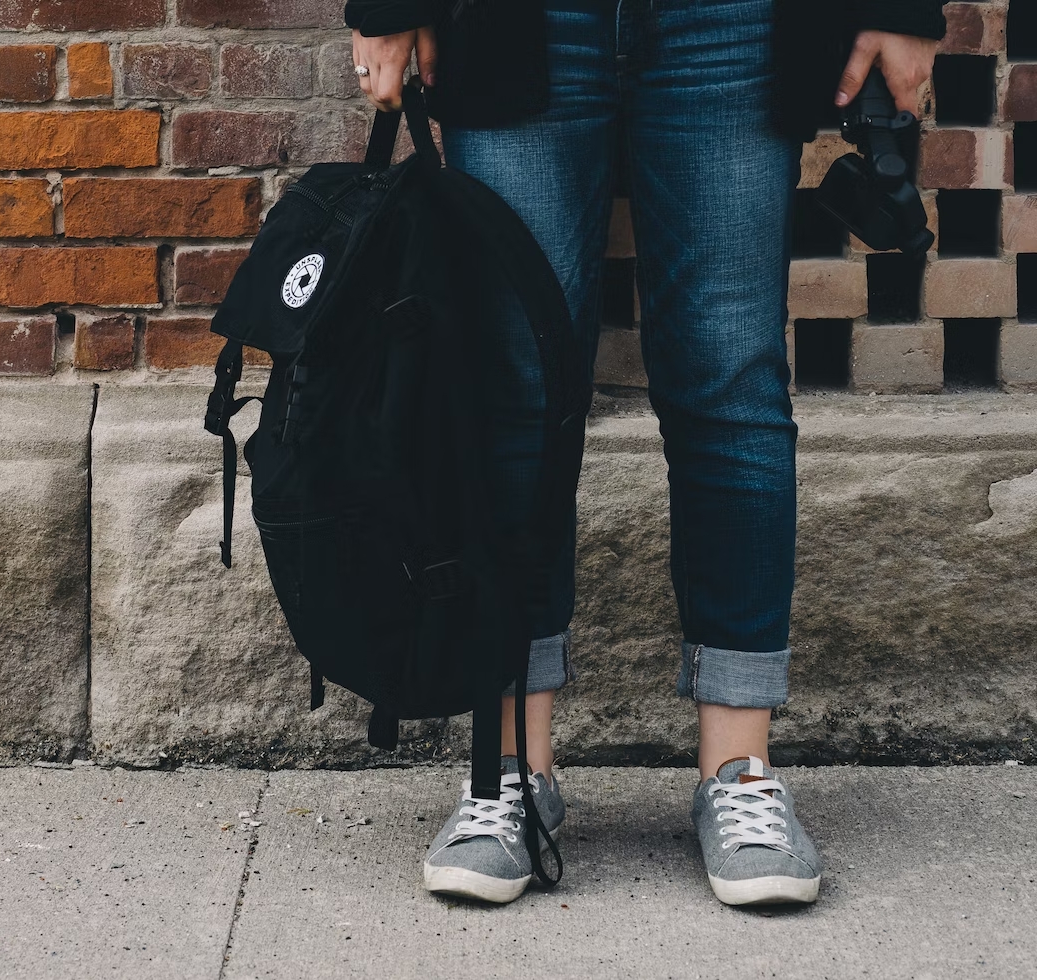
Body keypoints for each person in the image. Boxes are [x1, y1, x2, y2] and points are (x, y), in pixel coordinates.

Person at [344, 0, 945, 906]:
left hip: (733, 19)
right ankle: (509, 771)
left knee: (731, 381)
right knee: (519, 389)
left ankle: (740, 772)